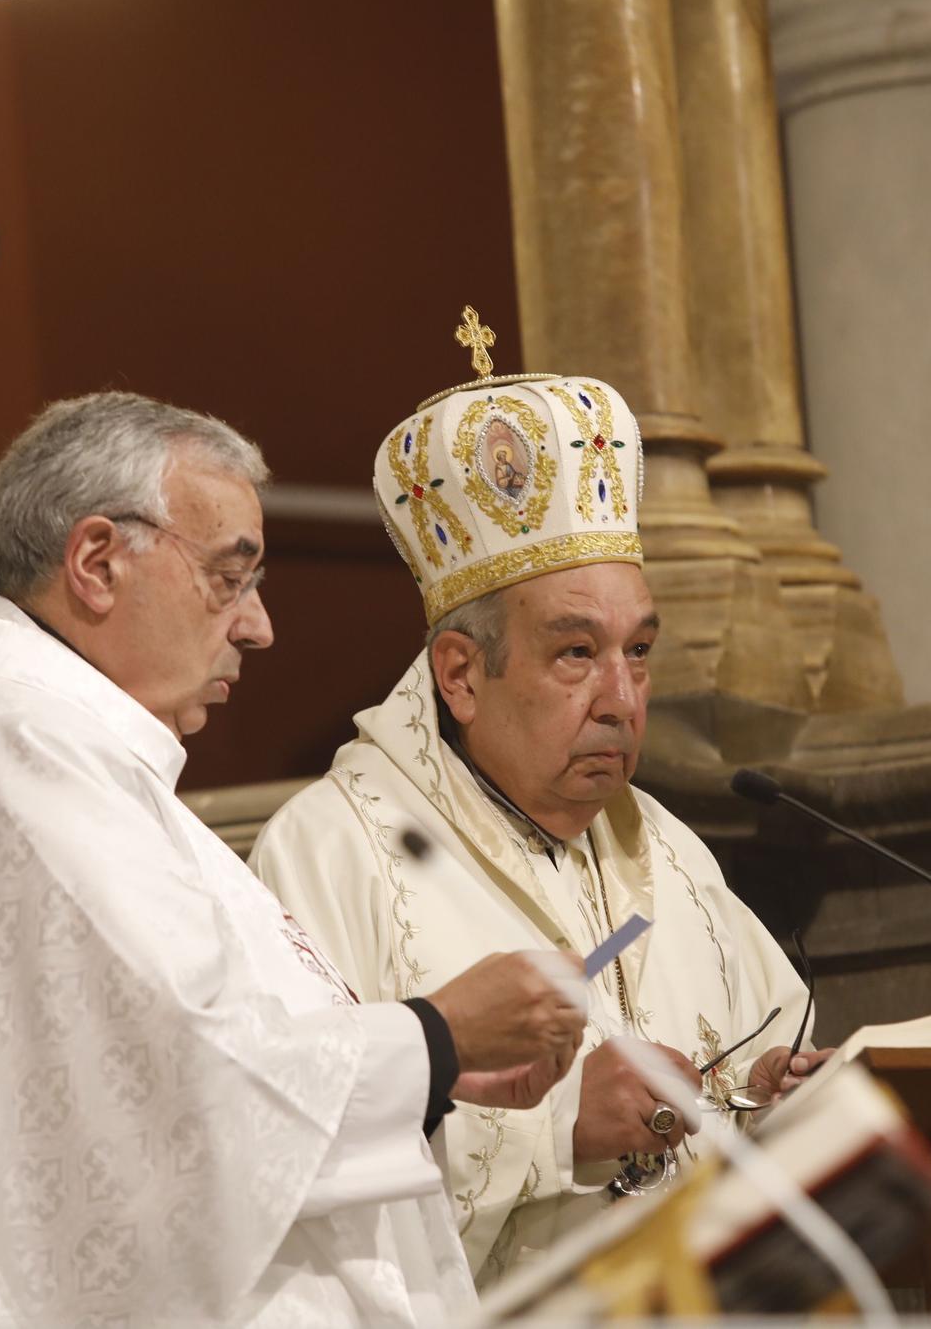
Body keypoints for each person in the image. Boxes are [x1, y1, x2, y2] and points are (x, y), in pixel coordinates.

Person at [0, 392, 588, 1326]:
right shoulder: (15, 747)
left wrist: (430, 1073)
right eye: (227, 577)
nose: (259, 627)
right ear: (96, 561)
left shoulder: (8, 739)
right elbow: (189, 1093)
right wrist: (437, 1035)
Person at [250, 315, 817, 1285]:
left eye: (638, 650)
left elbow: (769, 1049)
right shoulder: (330, 854)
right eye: (574, 653)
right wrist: (554, 1136)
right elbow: (284, 1162)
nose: (623, 699)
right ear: (460, 674)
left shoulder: (671, 852)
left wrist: (775, 1104)